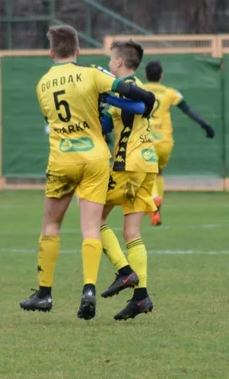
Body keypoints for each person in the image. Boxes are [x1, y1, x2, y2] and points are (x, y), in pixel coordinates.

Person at [20, 25, 155, 320]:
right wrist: (143, 99)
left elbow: (51, 118)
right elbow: (127, 91)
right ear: (78, 50)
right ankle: (90, 290)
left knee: (51, 226)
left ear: (51, 52)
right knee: (93, 228)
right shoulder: (91, 74)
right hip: (96, 158)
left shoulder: (42, 84)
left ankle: (44, 293)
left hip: (62, 159)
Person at [97, 40, 160, 320]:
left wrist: (107, 96)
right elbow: (106, 126)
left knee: (94, 218)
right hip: (146, 165)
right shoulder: (122, 93)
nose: (110, 64)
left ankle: (124, 273)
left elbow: (137, 107)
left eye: (111, 60)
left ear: (120, 62)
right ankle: (141, 296)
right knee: (131, 233)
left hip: (129, 165)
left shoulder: (131, 89)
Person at [142, 59, 216, 226]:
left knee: (144, 174)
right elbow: (188, 110)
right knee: (158, 173)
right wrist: (205, 125)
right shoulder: (170, 92)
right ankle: (156, 214)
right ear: (162, 75)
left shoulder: (140, 90)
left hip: (145, 140)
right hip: (165, 142)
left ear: (146, 75)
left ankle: (154, 198)